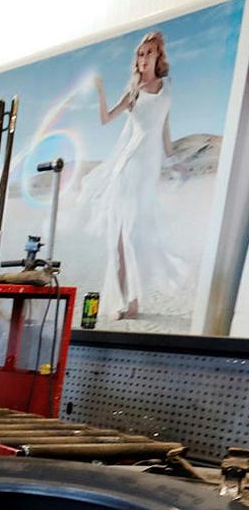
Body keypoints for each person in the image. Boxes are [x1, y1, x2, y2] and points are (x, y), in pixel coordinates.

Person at [89, 30, 179, 321]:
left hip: (149, 170)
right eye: (140, 54)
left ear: (158, 56)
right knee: (123, 236)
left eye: (149, 53)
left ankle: (133, 301)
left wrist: (176, 162)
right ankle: (127, 302)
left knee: (138, 235)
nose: (143, 59)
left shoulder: (167, 90)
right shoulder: (133, 92)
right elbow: (105, 120)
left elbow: (165, 135)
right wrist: (101, 92)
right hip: (129, 168)